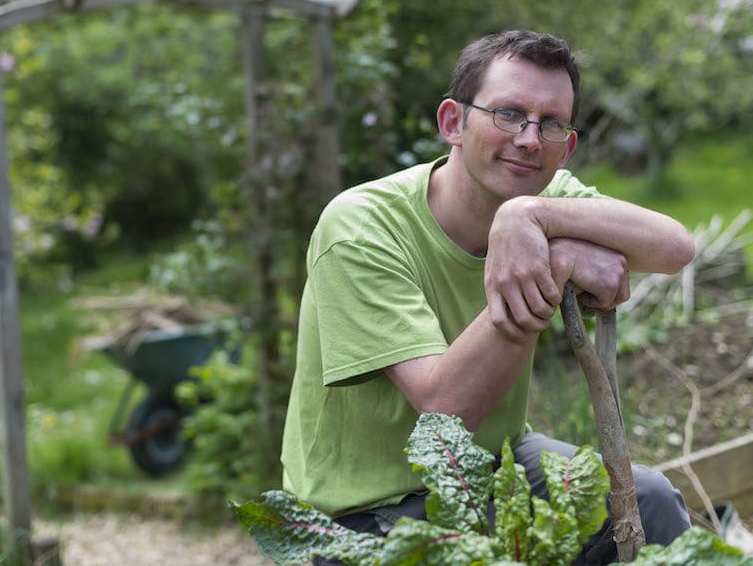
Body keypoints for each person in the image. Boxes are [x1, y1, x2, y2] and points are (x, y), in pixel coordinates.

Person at [280, 29, 695, 565]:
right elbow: (444, 413)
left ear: (565, 147)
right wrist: (552, 263)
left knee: (651, 501)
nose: (528, 138)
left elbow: (675, 247)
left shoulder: (542, 196)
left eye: (550, 124)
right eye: (507, 113)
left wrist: (529, 216)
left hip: (494, 467)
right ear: (453, 122)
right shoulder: (360, 228)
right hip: (361, 511)